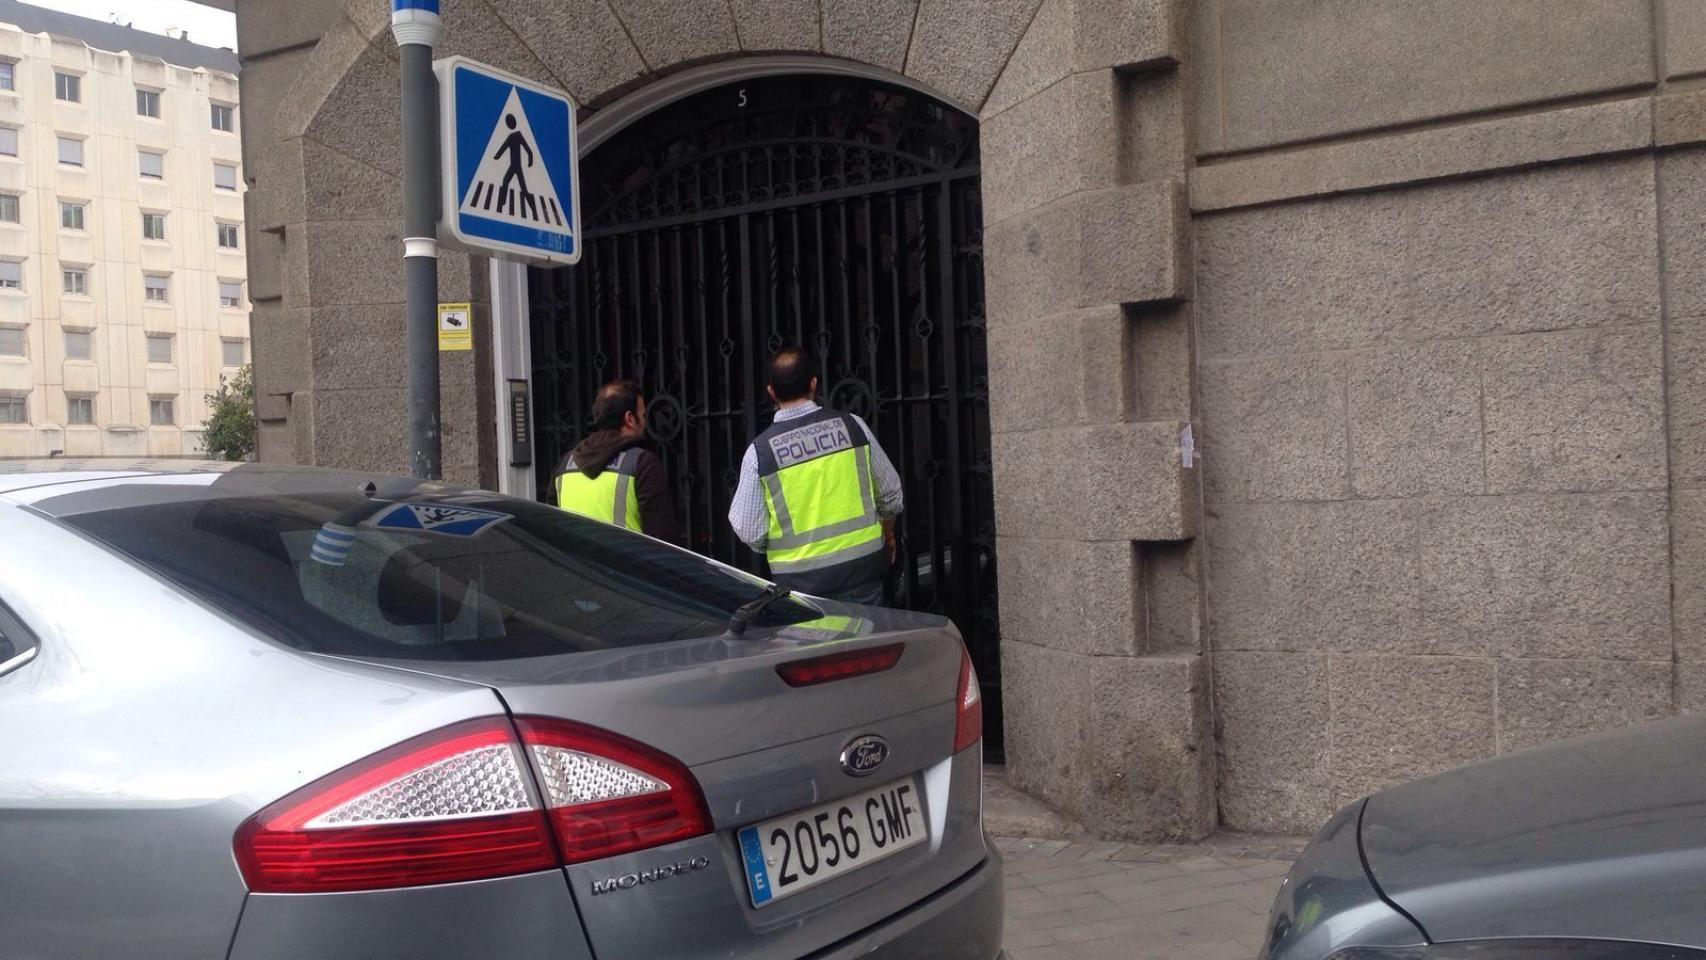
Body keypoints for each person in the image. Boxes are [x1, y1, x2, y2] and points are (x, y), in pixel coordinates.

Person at [729, 346, 904, 605]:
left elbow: (750, 530)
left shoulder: (760, 453)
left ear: (771, 392)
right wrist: (887, 534)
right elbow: (892, 496)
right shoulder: (853, 426)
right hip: (862, 576)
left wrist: (788, 549)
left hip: (800, 589)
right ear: (813, 384)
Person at [552, 380, 683, 545]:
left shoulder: (565, 465)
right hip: (628, 562)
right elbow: (663, 540)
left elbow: (553, 526)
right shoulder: (643, 464)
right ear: (630, 418)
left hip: (576, 561)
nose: (645, 422)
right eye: (643, 416)